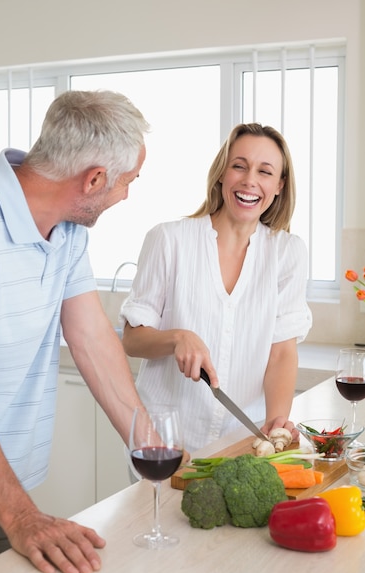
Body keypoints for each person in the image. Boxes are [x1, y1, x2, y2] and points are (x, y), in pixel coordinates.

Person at [0, 90, 149, 573]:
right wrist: (22, 517)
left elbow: (92, 339)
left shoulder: (68, 231)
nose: (126, 196)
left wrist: (155, 452)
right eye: (128, 183)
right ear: (95, 178)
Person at [120, 123, 312, 454]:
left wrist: (277, 423)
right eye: (239, 165)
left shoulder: (287, 253)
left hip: (242, 441)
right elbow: (133, 340)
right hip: (164, 439)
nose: (250, 180)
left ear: (279, 185)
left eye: (265, 172)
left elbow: (281, 352)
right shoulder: (169, 240)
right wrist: (177, 337)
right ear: (222, 173)